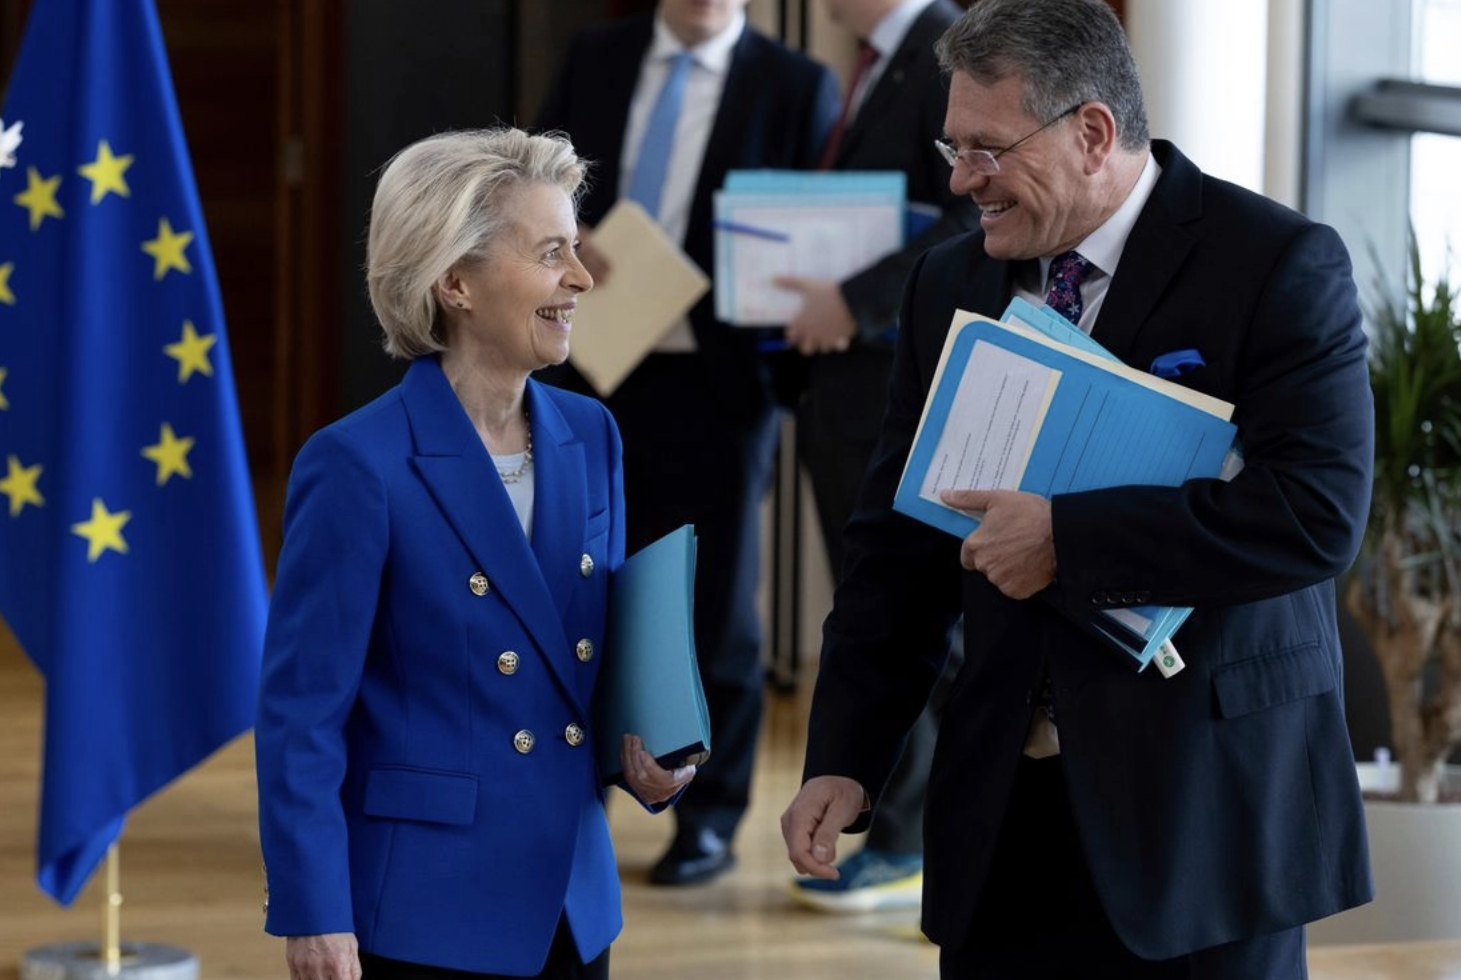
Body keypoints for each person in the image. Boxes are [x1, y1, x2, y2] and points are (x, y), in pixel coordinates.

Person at [781, 0, 1375, 977]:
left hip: (1206, 818)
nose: (963, 180)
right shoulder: (947, 284)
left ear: (1093, 132)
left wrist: (1070, 537)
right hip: (1002, 820)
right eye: (951, 146)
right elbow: (899, 545)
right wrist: (845, 753)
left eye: (986, 149)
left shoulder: (1275, 263)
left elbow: (1314, 516)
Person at [255, 127, 694, 980]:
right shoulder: (355, 464)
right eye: (552, 253)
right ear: (455, 281)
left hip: (571, 901)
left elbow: (578, 666)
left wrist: (651, 759)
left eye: (577, 249)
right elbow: (301, 716)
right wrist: (314, 909)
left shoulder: (592, 434)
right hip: (423, 910)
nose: (581, 278)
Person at [533, 0, 837, 887]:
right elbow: (536, 180)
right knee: (574, 581)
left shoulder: (796, 83)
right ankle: (574, 783)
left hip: (718, 383)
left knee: (717, 609)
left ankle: (708, 813)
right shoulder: (597, 55)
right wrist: (568, 239)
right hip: (590, 371)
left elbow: (808, 229)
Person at [774, 0, 976, 915]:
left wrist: (855, 302)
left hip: (889, 368)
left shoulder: (946, 51)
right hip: (841, 387)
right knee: (876, 599)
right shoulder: (871, 65)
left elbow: (959, 215)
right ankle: (896, 827)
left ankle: (904, 838)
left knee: (911, 607)